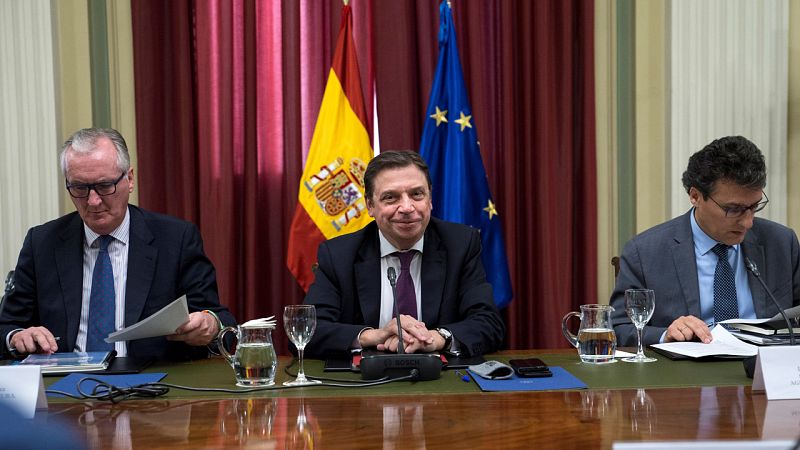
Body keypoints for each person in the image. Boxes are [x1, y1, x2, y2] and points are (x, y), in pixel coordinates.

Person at [0, 128, 235, 360]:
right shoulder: (42, 243)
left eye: (104, 186)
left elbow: (221, 321)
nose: (93, 201)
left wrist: (209, 324)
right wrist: (16, 336)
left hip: (153, 385)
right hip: (64, 384)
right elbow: (6, 326)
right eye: (80, 188)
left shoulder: (176, 239)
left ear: (129, 179)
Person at [302, 150, 505, 358]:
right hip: (364, 381)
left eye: (417, 194)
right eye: (391, 197)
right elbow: (307, 331)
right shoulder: (339, 255)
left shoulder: (460, 244)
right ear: (370, 206)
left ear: (430, 199)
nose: (407, 208)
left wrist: (437, 338)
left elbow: (489, 323)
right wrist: (374, 336)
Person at [610, 136, 800, 346]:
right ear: (695, 196)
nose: (748, 222)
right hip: (687, 374)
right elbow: (619, 329)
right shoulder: (645, 253)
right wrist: (666, 334)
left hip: (763, 370)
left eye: (754, 206)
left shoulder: (782, 243)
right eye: (733, 209)